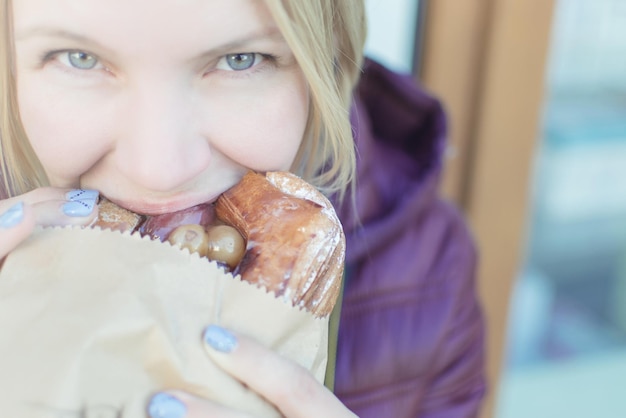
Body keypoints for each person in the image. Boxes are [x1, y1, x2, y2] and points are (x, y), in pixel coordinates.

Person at [0, 0, 485, 417]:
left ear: (330, 58)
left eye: (240, 59)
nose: (160, 170)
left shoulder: (429, 279)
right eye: (79, 58)